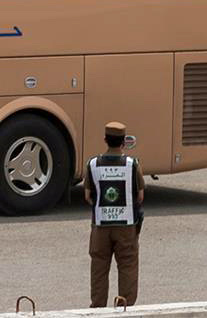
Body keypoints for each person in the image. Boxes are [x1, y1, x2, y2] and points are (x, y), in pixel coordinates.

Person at [80, 121, 144, 308]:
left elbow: (88, 196)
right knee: (127, 268)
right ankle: (124, 307)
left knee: (99, 269)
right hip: (126, 227)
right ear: (123, 142)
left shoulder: (92, 164)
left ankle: (98, 309)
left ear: (105, 140)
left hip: (100, 227)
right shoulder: (132, 165)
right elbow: (139, 197)